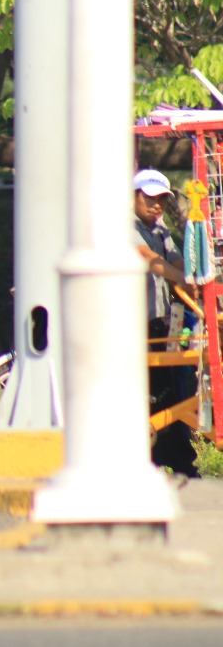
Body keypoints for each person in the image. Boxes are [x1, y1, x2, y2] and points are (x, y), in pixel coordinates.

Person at [132, 168, 199, 477]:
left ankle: (178, 460)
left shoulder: (160, 230)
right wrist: (182, 277)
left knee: (171, 390)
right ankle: (153, 460)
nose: (156, 204)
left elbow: (172, 259)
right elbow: (147, 259)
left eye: (161, 199)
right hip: (131, 324)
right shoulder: (125, 227)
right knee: (151, 392)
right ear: (134, 197)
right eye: (149, 197)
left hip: (158, 321)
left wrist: (194, 277)